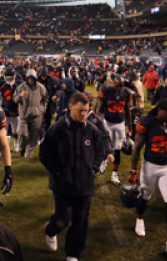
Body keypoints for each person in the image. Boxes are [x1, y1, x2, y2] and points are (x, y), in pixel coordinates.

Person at [40, 92, 106, 261]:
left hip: (84, 184)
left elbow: (100, 150)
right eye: (80, 110)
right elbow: (44, 154)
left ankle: (72, 254)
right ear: (70, 107)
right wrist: (57, 172)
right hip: (62, 184)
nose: (84, 114)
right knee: (63, 219)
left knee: (80, 221)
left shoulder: (92, 130)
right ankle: (51, 229)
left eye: (86, 110)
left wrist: (93, 167)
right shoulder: (57, 129)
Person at [127, 99, 167, 255]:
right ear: (159, 110)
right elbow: (137, 146)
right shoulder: (147, 122)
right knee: (145, 195)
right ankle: (140, 219)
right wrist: (133, 170)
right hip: (150, 166)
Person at [96, 73, 132, 185]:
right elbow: (99, 109)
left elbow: (127, 111)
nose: (120, 89)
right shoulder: (107, 91)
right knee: (106, 145)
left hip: (120, 124)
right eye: (118, 86)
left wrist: (130, 128)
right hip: (108, 123)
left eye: (122, 86)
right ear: (113, 85)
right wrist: (99, 124)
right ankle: (103, 161)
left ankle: (114, 174)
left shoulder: (126, 93)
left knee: (117, 149)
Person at [14, 69, 49, 161]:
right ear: (26, 78)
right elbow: (15, 100)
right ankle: (23, 147)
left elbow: (46, 98)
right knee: (23, 134)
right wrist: (20, 96)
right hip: (24, 115)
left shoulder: (41, 88)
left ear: (35, 78)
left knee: (34, 136)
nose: (30, 80)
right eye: (29, 78)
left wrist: (42, 109)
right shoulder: (21, 87)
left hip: (37, 115)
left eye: (32, 78)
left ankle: (29, 155)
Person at [0, 66, 21, 153]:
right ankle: (2, 150)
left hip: (16, 112)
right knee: (3, 133)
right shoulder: (1, 84)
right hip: (5, 111)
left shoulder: (19, 84)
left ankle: (16, 147)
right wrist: (1, 110)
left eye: (11, 77)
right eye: (8, 77)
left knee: (16, 131)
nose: (9, 79)